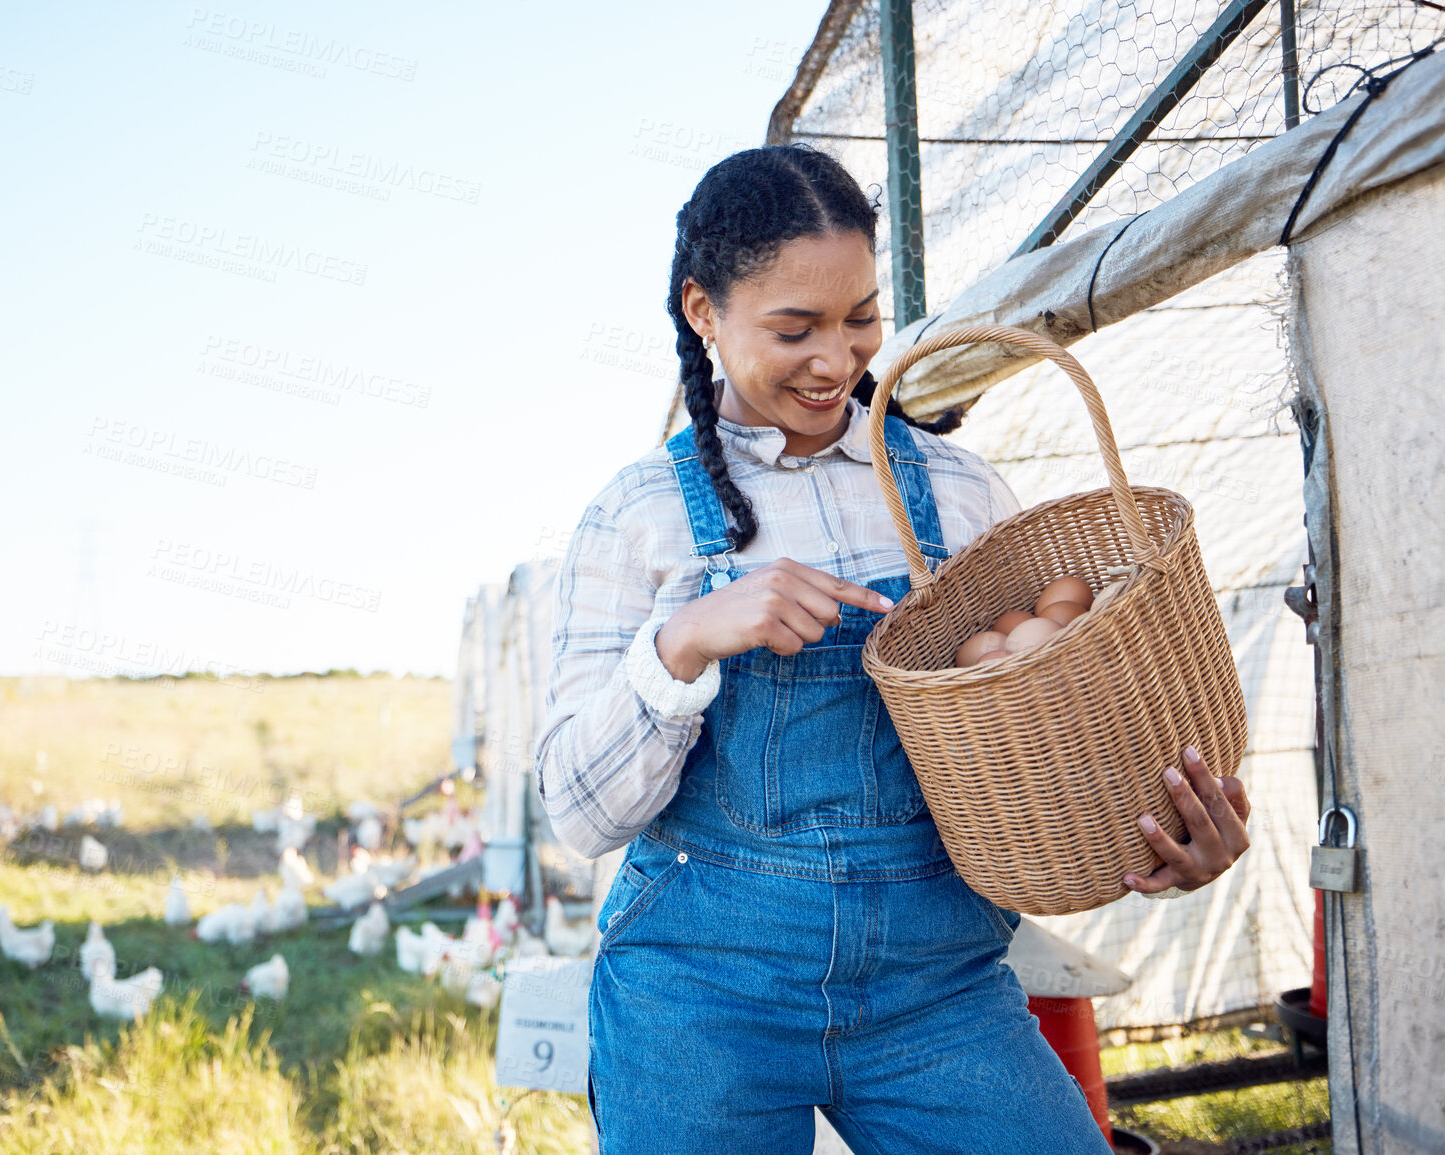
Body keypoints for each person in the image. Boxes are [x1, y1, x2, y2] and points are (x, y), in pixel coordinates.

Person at [534, 144, 1252, 1155]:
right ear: (703, 310)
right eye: (796, 328)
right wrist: (687, 638)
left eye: (861, 317)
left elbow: (1034, 749)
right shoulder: (639, 518)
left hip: (935, 990)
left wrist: (1159, 833)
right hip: (704, 993)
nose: (837, 361)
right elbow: (577, 811)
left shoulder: (957, 493)